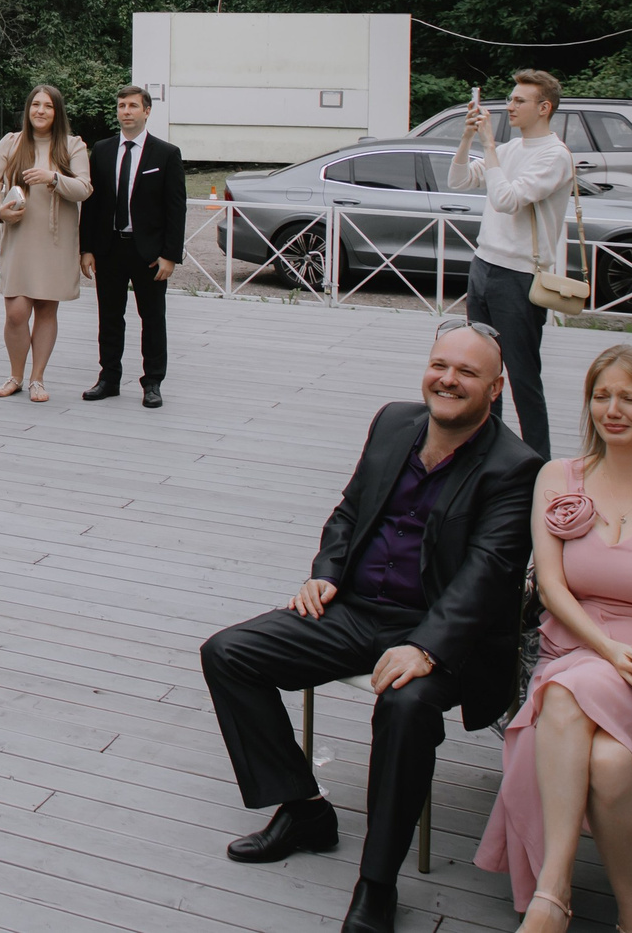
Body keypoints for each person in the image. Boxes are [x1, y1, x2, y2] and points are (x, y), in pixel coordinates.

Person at [200, 320, 542, 933]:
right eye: (441, 364)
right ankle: (304, 808)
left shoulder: (515, 467)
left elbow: (488, 575)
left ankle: (377, 883)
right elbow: (350, 508)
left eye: (468, 372)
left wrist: (427, 647)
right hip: (356, 610)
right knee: (229, 653)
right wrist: (326, 571)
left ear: (496, 388)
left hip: (444, 633)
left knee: (407, 709)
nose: (449, 379)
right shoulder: (393, 422)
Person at [476, 345, 632, 933]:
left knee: (567, 697)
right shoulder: (557, 477)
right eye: (601, 396)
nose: (611, 410)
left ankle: (552, 895)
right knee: (611, 762)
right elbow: (553, 588)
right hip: (577, 650)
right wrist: (605, 647)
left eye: (630, 398)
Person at [449, 70, 578, 459]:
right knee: (483, 369)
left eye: (519, 101)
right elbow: (457, 182)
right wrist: (468, 138)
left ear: (544, 107)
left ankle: (536, 462)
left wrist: (489, 145)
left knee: (523, 376)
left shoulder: (555, 155)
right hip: (484, 264)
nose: (510, 107)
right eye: (510, 99)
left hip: (520, 275)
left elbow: (506, 199)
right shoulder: (507, 149)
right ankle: (486, 450)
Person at [0, 84, 92, 403]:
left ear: (57, 112)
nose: (40, 111)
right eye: (35, 105)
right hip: (20, 237)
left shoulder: (73, 146)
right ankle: (15, 374)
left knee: (46, 310)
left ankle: (37, 379)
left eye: (48, 106)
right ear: (28, 110)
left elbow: (84, 188)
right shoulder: (11, 142)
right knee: (16, 312)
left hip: (55, 241)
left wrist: (53, 178)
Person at [80, 84, 185, 408]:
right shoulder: (103, 149)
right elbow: (92, 204)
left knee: (152, 318)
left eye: (133, 106)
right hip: (110, 248)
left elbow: (176, 208)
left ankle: (152, 382)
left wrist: (169, 255)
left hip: (149, 253)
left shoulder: (165, 154)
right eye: (122, 106)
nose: (126, 111)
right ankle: (109, 378)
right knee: (109, 317)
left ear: (147, 111)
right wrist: (87, 248)